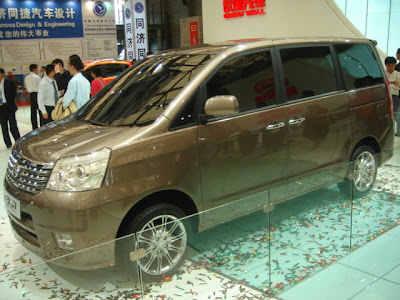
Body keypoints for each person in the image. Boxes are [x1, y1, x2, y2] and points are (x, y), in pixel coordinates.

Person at [0, 68, 20, 149]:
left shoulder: (9, 82)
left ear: (2, 74)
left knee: (13, 125)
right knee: (4, 126)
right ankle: (8, 143)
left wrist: (10, 102)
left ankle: (18, 141)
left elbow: (13, 93)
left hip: (9, 106)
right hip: (0, 108)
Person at [385, 56, 400, 137]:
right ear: (386, 65)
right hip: (385, 96)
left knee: (395, 114)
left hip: (394, 97)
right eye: (389, 65)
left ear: (395, 65)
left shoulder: (398, 74)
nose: (390, 67)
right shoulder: (383, 74)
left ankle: (398, 131)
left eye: (392, 65)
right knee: (385, 114)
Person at [24, 64, 42, 129]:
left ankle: (34, 127)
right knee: (40, 110)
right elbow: (41, 86)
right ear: (34, 69)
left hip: (31, 95)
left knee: (33, 111)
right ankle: (42, 125)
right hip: (37, 94)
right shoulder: (37, 77)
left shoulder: (26, 78)